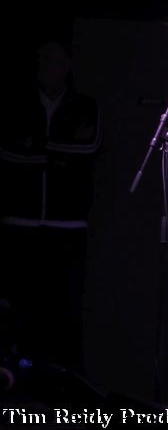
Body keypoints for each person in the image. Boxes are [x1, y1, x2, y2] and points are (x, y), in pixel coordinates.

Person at [0, 41, 101, 376]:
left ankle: (64, 384)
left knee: (64, 310)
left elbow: (88, 150)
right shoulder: (16, 104)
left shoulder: (85, 106)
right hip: (20, 222)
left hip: (68, 225)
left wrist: (40, 150)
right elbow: (10, 153)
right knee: (19, 309)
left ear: (68, 63)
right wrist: (57, 154)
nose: (47, 64)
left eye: (54, 58)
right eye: (43, 57)